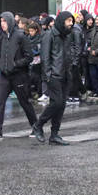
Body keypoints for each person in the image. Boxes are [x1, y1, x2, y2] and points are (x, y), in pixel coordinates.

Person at [0, 12, 38, 141]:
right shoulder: (2, 37)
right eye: (1, 21)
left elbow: (29, 57)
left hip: (19, 75)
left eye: (5, 21)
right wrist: (2, 65)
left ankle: (36, 127)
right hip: (5, 75)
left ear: (10, 21)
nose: (3, 24)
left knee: (24, 102)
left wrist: (15, 64)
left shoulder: (20, 36)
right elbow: (0, 54)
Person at [32, 11, 74, 145]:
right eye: (68, 21)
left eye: (71, 21)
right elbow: (45, 57)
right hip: (54, 75)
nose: (71, 23)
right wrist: (47, 76)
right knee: (56, 102)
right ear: (62, 21)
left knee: (61, 105)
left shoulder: (67, 36)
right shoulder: (49, 35)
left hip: (65, 74)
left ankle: (54, 134)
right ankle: (38, 125)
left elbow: (68, 54)